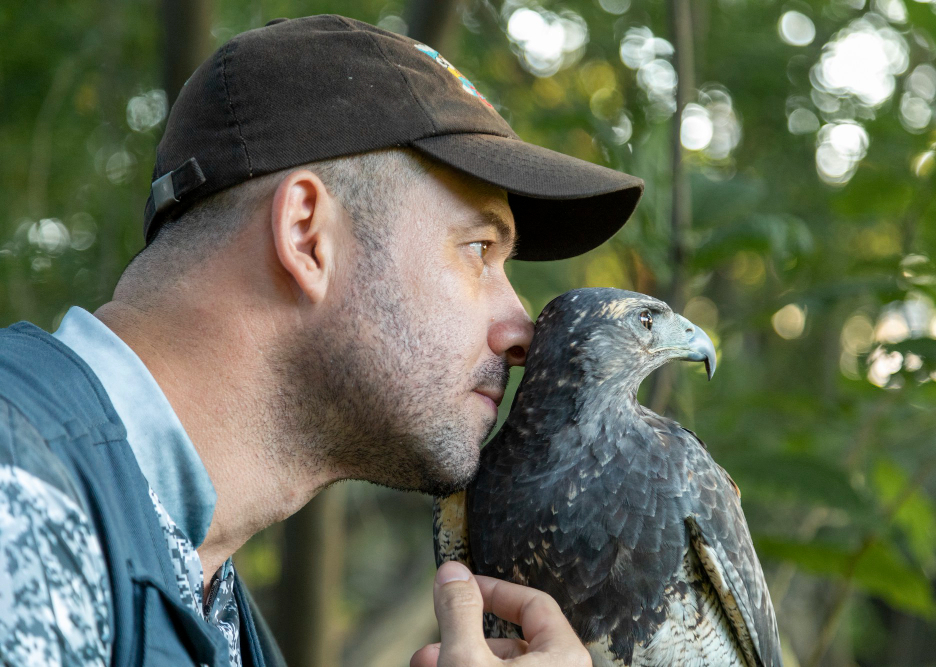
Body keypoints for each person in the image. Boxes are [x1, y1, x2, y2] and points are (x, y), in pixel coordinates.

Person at [0, 14, 642, 667]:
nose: (522, 331)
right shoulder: (19, 489)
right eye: (478, 248)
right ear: (308, 235)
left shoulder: (215, 607)